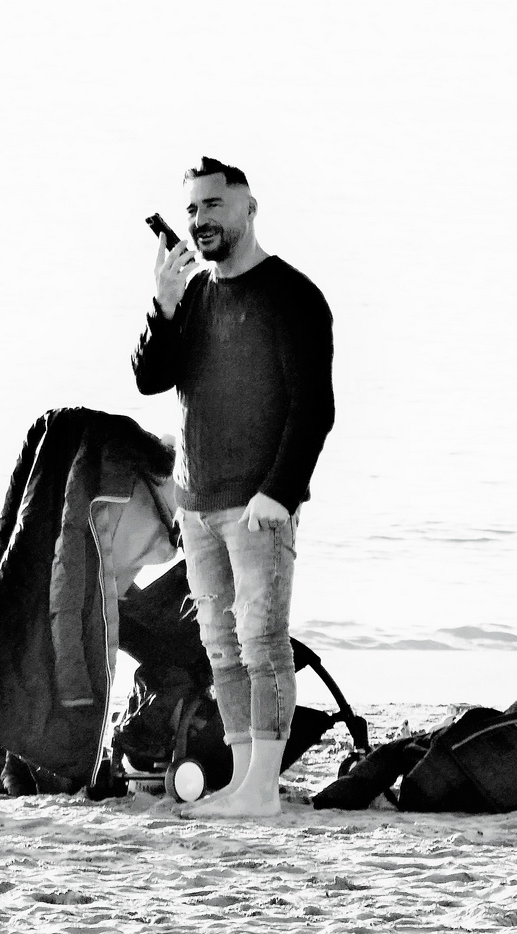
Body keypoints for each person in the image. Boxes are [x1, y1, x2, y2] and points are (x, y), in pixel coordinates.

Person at [131, 157, 335, 817]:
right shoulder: (192, 295)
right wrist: (161, 307)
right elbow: (150, 379)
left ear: (248, 207)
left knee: (261, 641)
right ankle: (242, 782)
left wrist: (278, 491)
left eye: (213, 206)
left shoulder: (290, 295)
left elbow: (313, 408)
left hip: (257, 504)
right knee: (219, 644)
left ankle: (262, 790)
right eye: (191, 209)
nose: (199, 220)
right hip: (197, 503)